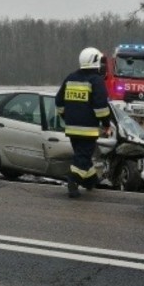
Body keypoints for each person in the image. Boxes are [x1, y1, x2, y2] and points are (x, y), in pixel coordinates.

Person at [55, 47, 112, 199]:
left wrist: (66, 116)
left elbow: (58, 101)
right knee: (83, 156)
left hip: (71, 128)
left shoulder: (70, 77)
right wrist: (107, 124)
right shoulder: (96, 81)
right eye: (100, 62)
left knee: (82, 156)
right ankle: (73, 181)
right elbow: (101, 107)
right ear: (94, 61)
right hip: (88, 129)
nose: (102, 65)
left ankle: (90, 181)